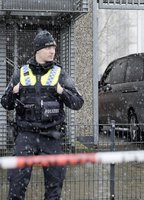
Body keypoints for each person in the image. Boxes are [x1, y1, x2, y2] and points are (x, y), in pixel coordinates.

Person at [1, 30, 84, 200]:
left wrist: (61, 91)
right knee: (16, 184)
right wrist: (14, 91)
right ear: (37, 50)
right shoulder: (21, 73)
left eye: (54, 47)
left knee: (54, 188)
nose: (52, 51)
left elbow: (78, 102)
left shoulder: (60, 74)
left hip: (52, 135)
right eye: (48, 47)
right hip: (26, 135)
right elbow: (5, 103)